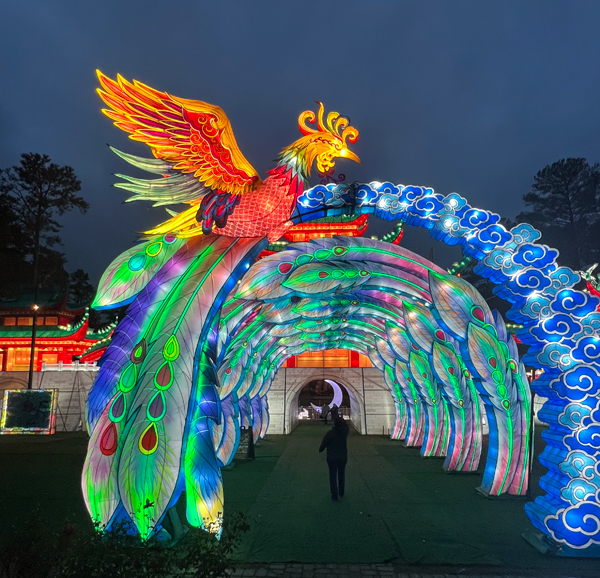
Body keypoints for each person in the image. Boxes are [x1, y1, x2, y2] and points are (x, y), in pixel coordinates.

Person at [319, 417, 350, 500]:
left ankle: (334, 494)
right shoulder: (345, 432)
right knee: (341, 474)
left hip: (332, 457)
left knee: (332, 476)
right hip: (342, 457)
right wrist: (343, 421)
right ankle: (341, 491)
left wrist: (321, 448)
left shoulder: (330, 433)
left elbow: (323, 445)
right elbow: (347, 427)